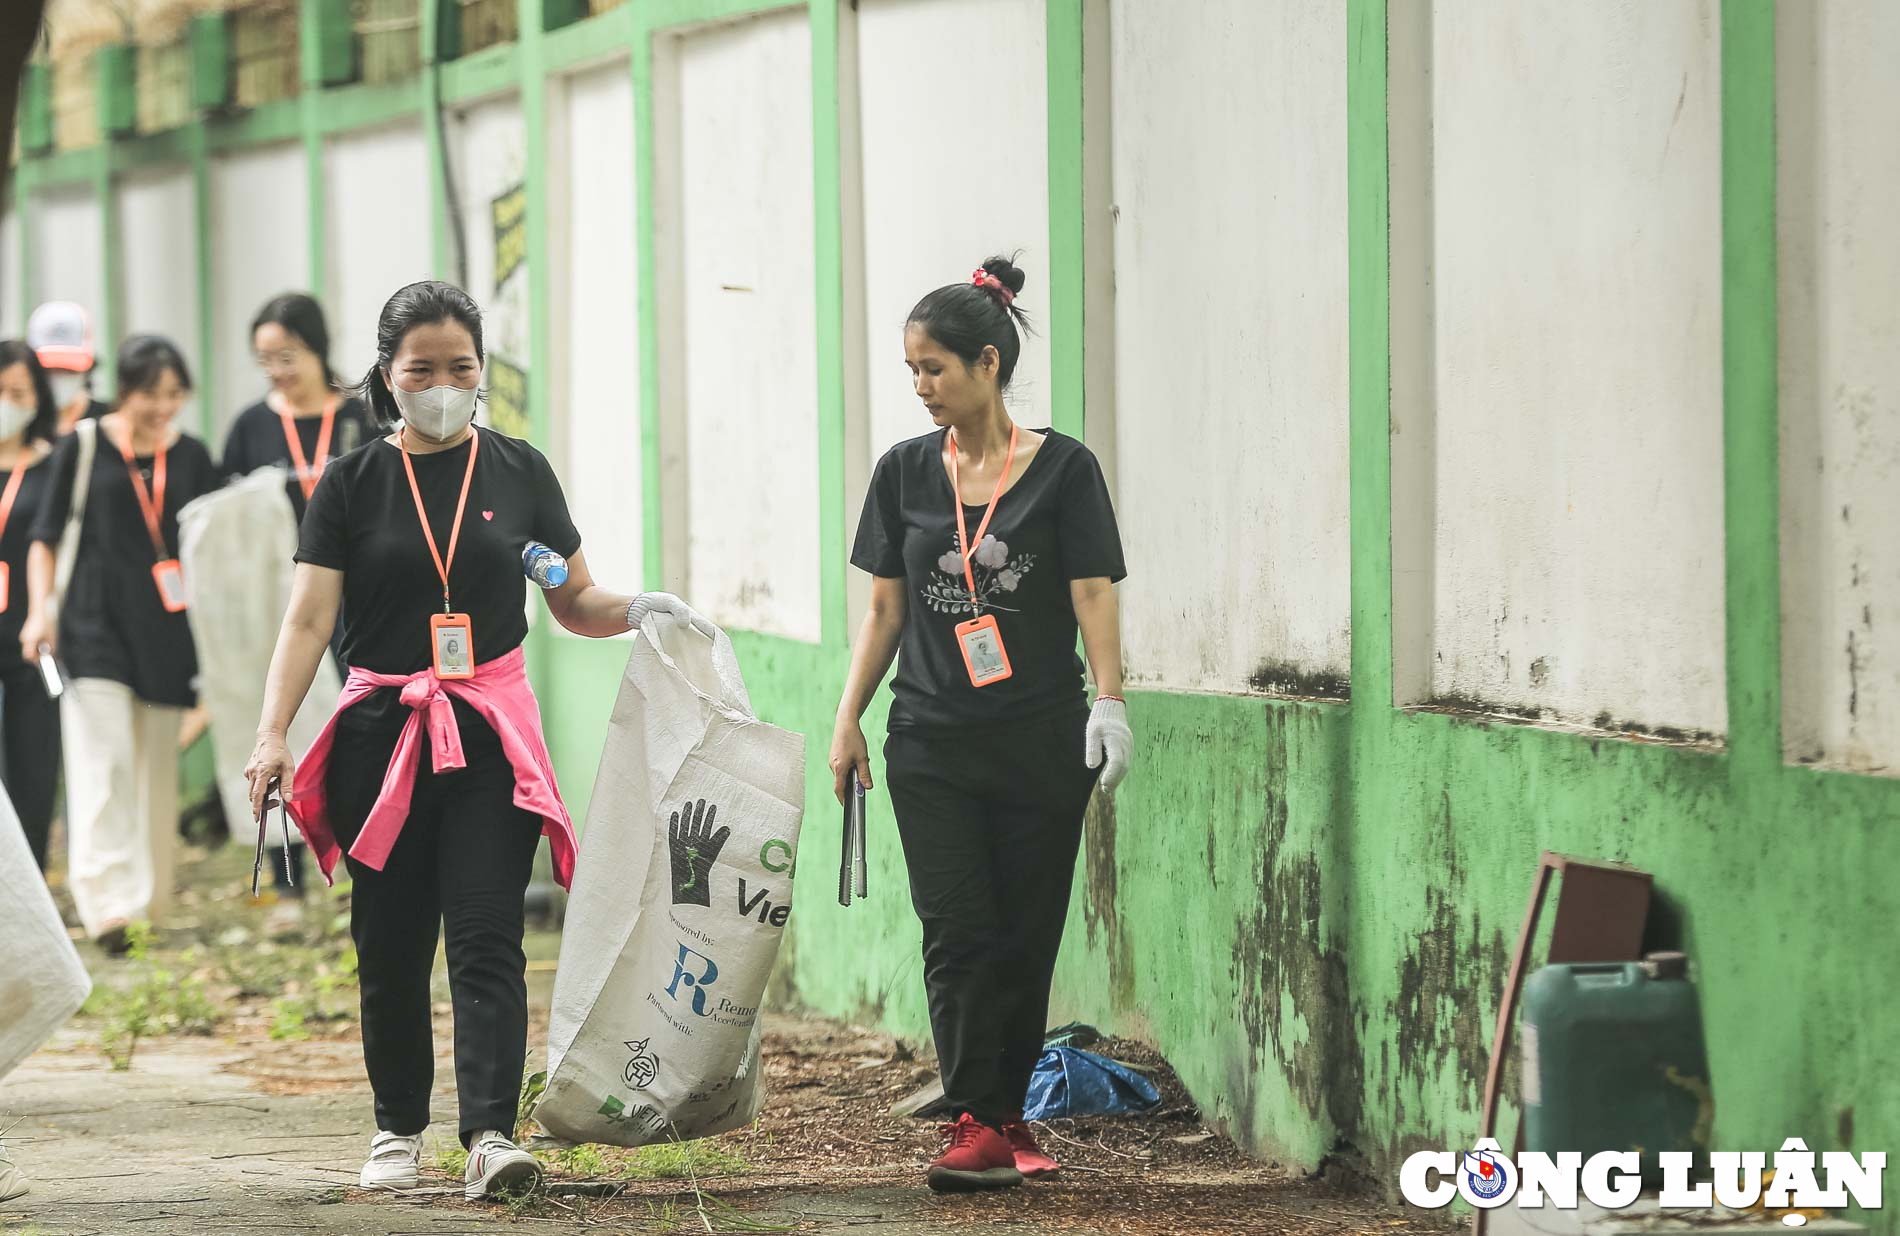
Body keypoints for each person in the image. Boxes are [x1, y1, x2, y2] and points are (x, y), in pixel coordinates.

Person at [242, 281, 715, 1201]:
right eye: (422, 369)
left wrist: (644, 609)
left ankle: (492, 1132)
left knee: (490, 937)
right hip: (383, 735)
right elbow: (306, 624)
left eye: (462, 367)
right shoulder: (351, 483)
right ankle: (396, 1129)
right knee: (390, 941)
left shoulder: (520, 471)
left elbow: (572, 601)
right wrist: (272, 736)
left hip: (492, 733)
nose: (444, 384)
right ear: (388, 376)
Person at [829, 257, 1133, 1194]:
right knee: (957, 927)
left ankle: (1006, 1117)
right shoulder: (904, 473)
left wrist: (1112, 702)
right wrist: (850, 721)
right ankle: (973, 1120)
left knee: (1026, 929)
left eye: (936, 369)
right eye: (913, 370)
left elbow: (1091, 592)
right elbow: (883, 613)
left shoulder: (1066, 470)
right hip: (930, 742)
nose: (921, 387)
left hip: (1043, 740)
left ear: (989, 363)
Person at [20, 335, 221, 955]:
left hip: (164, 633)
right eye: (148, 394)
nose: (161, 407)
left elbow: (211, 543)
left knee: (153, 770)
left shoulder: (191, 456)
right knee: (100, 763)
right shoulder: (81, 445)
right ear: (124, 391)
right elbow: (45, 538)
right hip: (90, 627)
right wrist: (39, 613)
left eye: (173, 395)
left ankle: (147, 900)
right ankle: (108, 907)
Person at [220, 292, 373, 909]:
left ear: (317, 347)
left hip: (358, 597)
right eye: (266, 360)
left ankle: (363, 854)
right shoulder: (251, 427)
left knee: (352, 723)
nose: (278, 370)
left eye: (287, 355)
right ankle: (286, 879)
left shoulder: (362, 417)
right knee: (283, 728)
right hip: (281, 603)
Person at [0, 341, 62, 869]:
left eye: (16, 392)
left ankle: (31, 879)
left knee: (33, 760)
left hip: (30, 634)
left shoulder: (54, 464)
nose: (5, 403)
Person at [25, 301, 108, 433]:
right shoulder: (20, 425)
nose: (58, 378)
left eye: (68, 370)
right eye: (49, 370)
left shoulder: (107, 422)